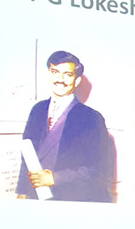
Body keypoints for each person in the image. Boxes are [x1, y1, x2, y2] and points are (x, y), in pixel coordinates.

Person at [16, 50, 114, 202]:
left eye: (67, 74)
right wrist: (22, 191)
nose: (60, 79)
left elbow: (97, 171)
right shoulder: (37, 110)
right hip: (34, 198)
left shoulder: (92, 118)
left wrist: (55, 178)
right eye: (55, 72)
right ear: (49, 74)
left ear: (77, 81)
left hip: (71, 199)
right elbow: (26, 153)